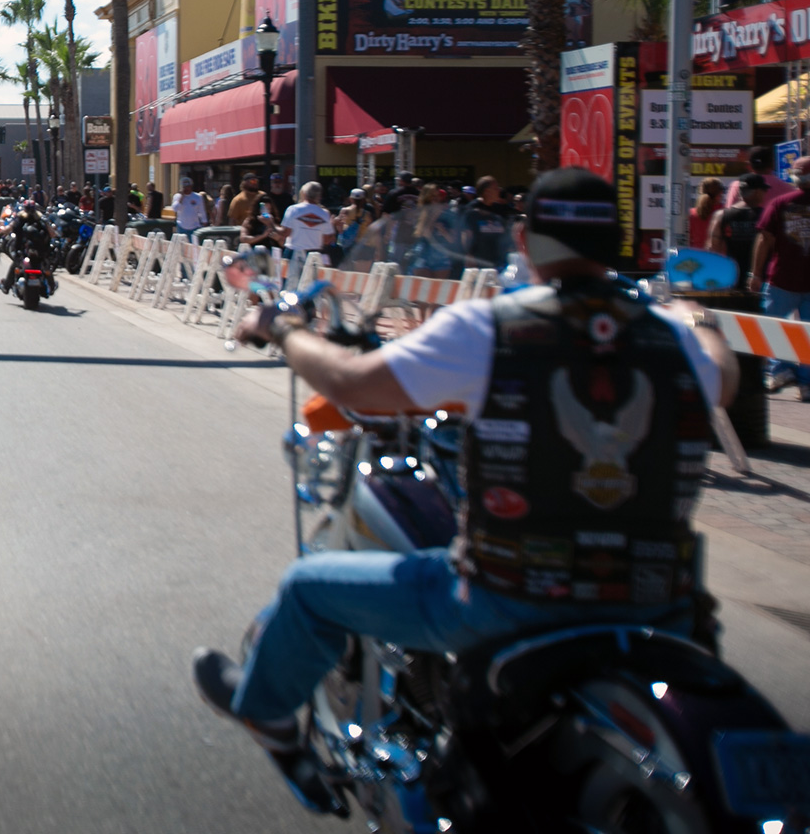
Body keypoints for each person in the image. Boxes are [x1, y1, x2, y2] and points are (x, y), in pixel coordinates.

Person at [192, 167, 735, 798]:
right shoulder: (672, 338)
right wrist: (697, 318)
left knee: (307, 588)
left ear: (526, 240)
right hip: (658, 607)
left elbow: (351, 382)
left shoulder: (486, 330)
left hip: (506, 602)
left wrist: (281, 328)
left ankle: (268, 712)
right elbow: (723, 377)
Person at [747, 154, 810, 398]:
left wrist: (755, 273)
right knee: (808, 332)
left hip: (782, 278)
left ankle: (781, 370)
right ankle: (806, 383)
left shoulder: (780, 203)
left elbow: (765, 240)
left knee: (772, 326)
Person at [708, 174, 765, 284]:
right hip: (760, 277)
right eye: (764, 190)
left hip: (731, 275)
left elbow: (713, 248)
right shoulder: (766, 215)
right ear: (757, 192)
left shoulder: (721, 215)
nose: (765, 194)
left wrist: (715, 275)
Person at [0, 199, 55, 294]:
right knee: (46, 266)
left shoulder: (20, 219)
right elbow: (52, 234)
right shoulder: (41, 219)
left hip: (24, 251)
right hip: (40, 252)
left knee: (15, 265)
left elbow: (8, 229)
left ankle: (6, 286)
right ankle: (52, 286)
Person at [461, 175, 514, 268]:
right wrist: (469, 256)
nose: (499, 190)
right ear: (486, 191)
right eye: (496, 188)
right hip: (479, 260)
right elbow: (466, 234)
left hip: (498, 261)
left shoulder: (499, 209)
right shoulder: (472, 209)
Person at [277, 181, 334, 255]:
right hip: (315, 254)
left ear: (304, 193)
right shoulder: (324, 213)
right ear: (319, 196)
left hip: (294, 252)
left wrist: (270, 223)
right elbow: (326, 240)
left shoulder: (293, 209)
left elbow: (285, 233)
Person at [688, 178, 724, 250]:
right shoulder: (724, 212)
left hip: (696, 257)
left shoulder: (691, 213)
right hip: (718, 257)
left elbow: (688, 239)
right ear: (719, 194)